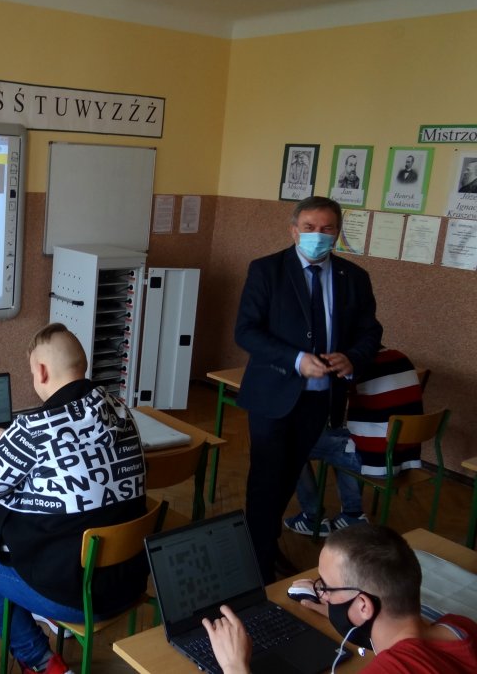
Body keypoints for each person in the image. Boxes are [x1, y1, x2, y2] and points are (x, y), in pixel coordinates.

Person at [0, 323, 147, 674]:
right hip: (130, 580)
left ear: (40, 371)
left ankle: (41, 661)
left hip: (78, 595)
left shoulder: (33, 428)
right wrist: (13, 442)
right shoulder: (119, 409)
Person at [235, 195, 382, 583]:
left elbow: (370, 331)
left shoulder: (354, 277)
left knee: (287, 479)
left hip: (320, 398)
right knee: (266, 480)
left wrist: (354, 357)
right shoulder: (267, 270)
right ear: (294, 230)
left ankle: (267, 547)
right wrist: (296, 359)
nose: (318, 235)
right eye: (309, 227)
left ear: (337, 232)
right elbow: (246, 331)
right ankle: (256, 564)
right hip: (273, 394)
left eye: (327, 228)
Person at [201, 525, 477, 673]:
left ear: (364, 606)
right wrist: (343, 613)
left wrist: (234, 665)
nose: (322, 594)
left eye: (327, 588)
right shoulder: (460, 627)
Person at [284, 347, 423, 537]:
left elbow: (328, 407)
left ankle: (312, 517)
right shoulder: (400, 357)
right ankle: (352, 514)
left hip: (378, 460)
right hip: (405, 456)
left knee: (289, 444)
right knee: (344, 439)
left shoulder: (353, 364)